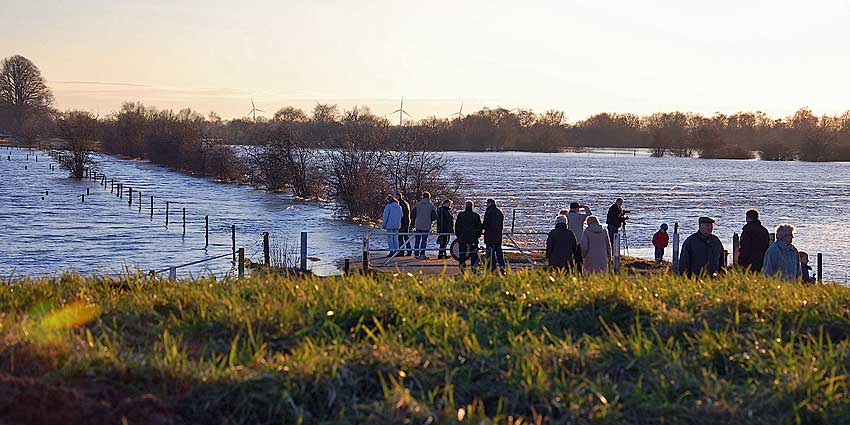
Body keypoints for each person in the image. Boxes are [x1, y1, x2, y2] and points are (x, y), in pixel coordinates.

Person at [455, 200, 482, 268]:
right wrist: (477, 235)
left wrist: (458, 235)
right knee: (474, 254)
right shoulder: (476, 216)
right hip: (473, 237)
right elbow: (479, 227)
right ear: (472, 207)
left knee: (462, 253)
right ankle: (473, 267)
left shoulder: (461, 215)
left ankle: (462, 266)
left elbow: (457, 226)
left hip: (463, 237)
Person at [410, 192, 438, 259]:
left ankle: (416, 254)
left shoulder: (417, 204)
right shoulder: (431, 206)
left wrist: (413, 222)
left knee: (417, 240)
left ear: (422, 197)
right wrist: (430, 220)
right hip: (426, 225)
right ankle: (422, 254)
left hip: (418, 224)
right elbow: (435, 216)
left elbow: (412, 214)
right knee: (424, 240)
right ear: (429, 197)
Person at [567, 202, 593, 273]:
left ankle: (570, 271)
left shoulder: (567, 216)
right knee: (578, 259)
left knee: (569, 257)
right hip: (578, 240)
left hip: (569, 239)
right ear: (577, 209)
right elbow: (590, 215)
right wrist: (585, 207)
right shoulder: (580, 216)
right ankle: (579, 273)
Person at [482, 198, 506, 271]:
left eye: (487, 203)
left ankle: (493, 267)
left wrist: (480, 227)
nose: (486, 205)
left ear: (490, 203)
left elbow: (486, 224)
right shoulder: (499, 212)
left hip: (490, 236)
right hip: (498, 235)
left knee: (491, 253)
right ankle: (502, 266)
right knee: (499, 252)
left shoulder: (488, 212)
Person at [396, 192, 412, 256]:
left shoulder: (400, 203)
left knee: (400, 237)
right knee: (406, 236)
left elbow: (401, 214)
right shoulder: (405, 203)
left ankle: (401, 251)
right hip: (407, 221)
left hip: (403, 222)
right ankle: (409, 250)